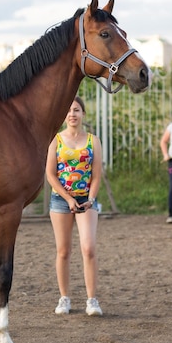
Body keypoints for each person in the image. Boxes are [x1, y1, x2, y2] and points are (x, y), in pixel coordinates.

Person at [45, 96, 103, 316]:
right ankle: (64, 298)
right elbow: (51, 174)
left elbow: (97, 174)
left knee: (88, 248)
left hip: (87, 200)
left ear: (83, 114)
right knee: (63, 251)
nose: (72, 114)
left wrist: (90, 198)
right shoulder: (55, 140)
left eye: (77, 110)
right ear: (64, 115)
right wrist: (68, 199)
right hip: (61, 201)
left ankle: (92, 300)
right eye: (69, 111)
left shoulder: (92, 140)